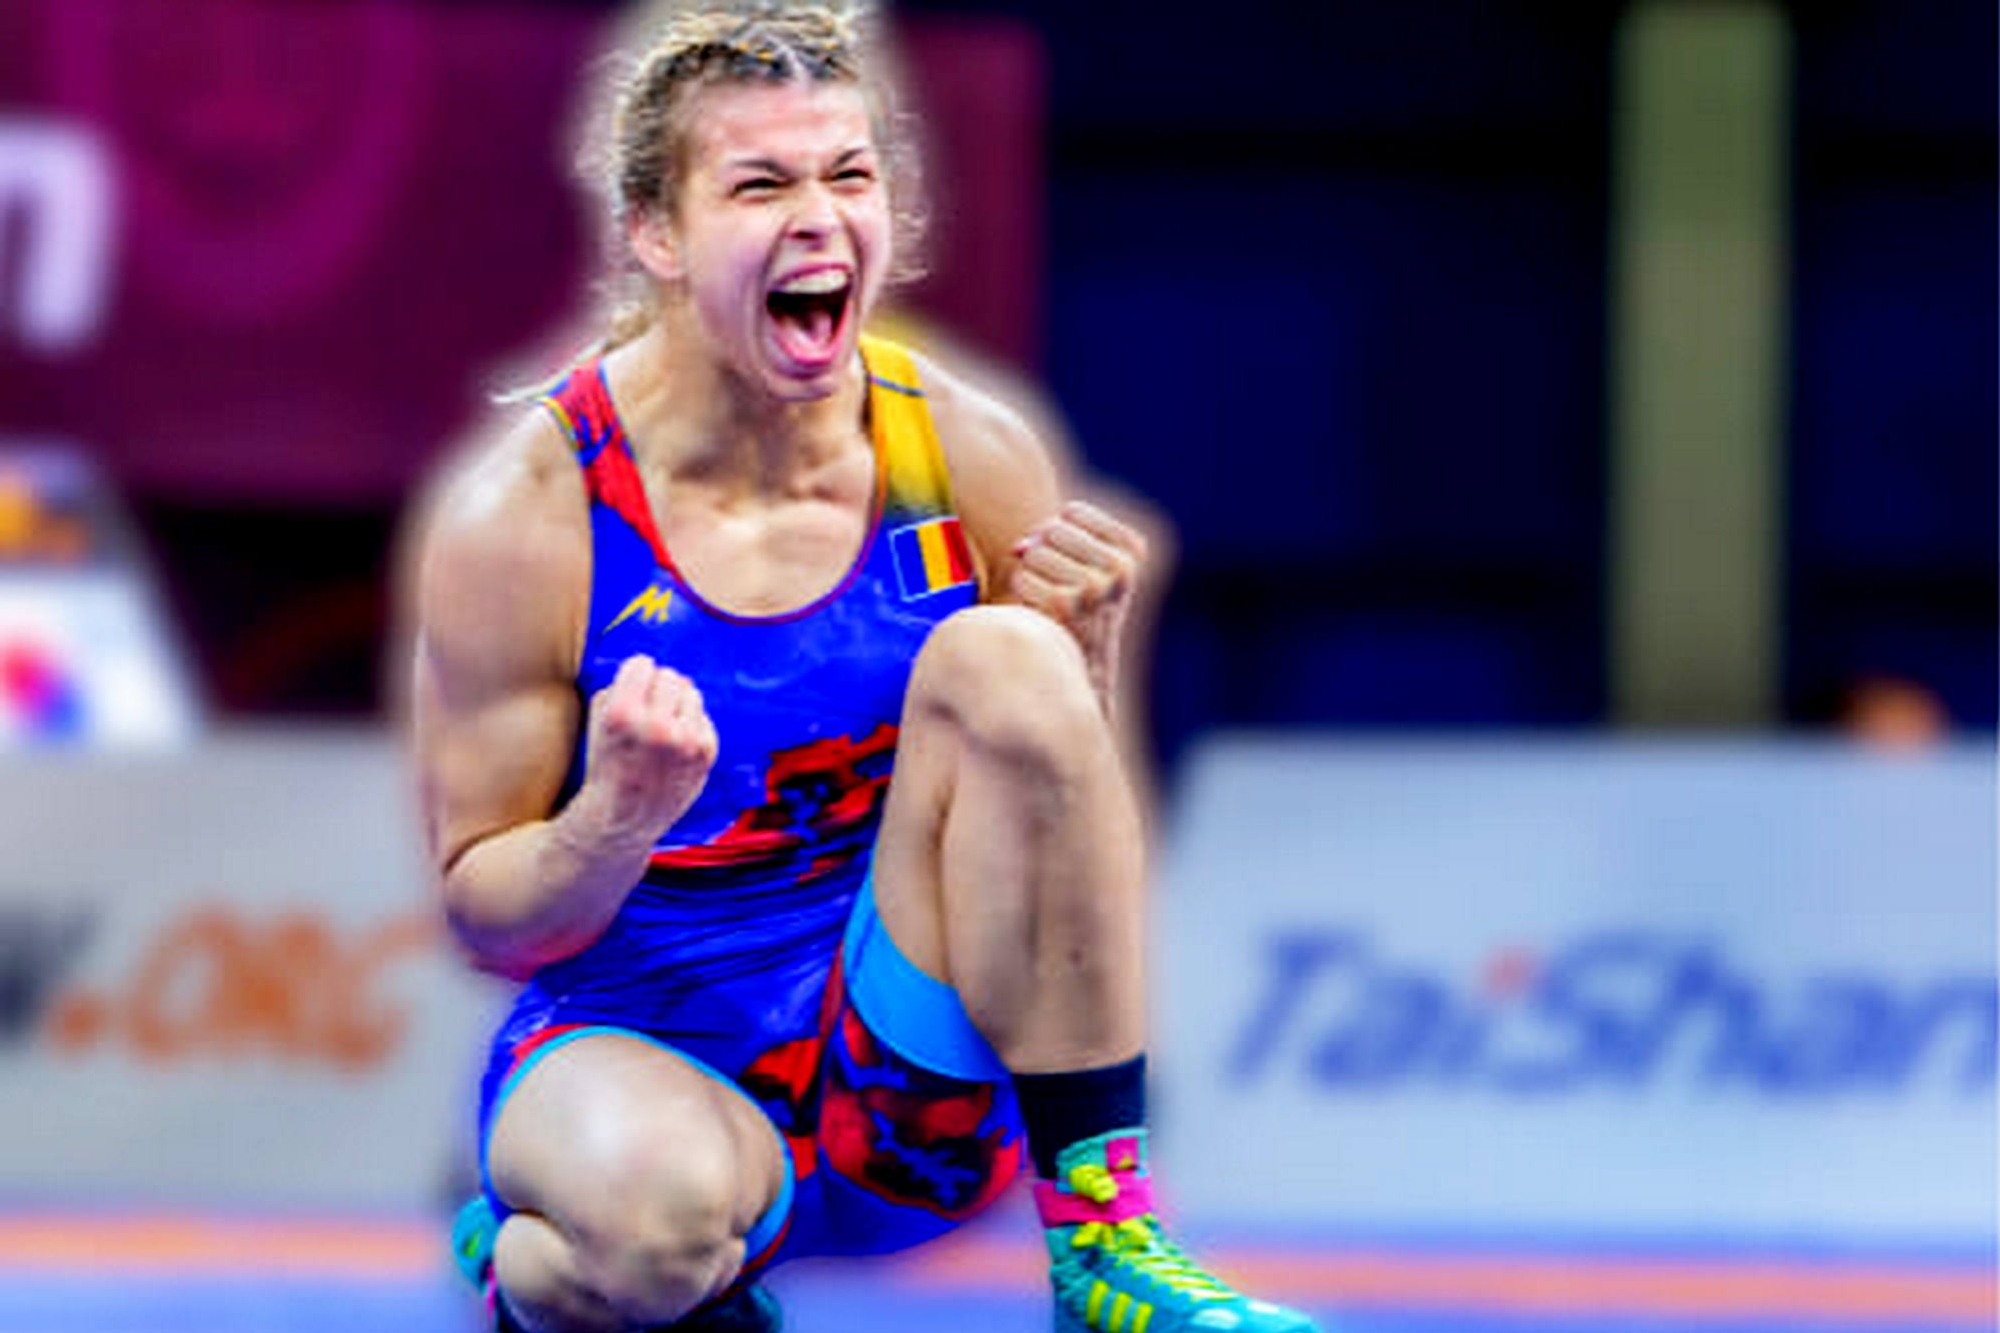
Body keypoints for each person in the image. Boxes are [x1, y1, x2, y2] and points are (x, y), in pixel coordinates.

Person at [408, 4, 1321, 1331]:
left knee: (1008, 657)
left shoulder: (967, 452)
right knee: (647, 1242)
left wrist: (1079, 675)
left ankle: (1105, 1241)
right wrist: (615, 816)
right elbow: (491, 922)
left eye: (848, 174)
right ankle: (555, 1259)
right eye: (761, 185)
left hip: (909, 1091)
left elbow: (1055, 841)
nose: (820, 218)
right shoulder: (529, 515)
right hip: (642, 1056)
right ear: (657, 234)